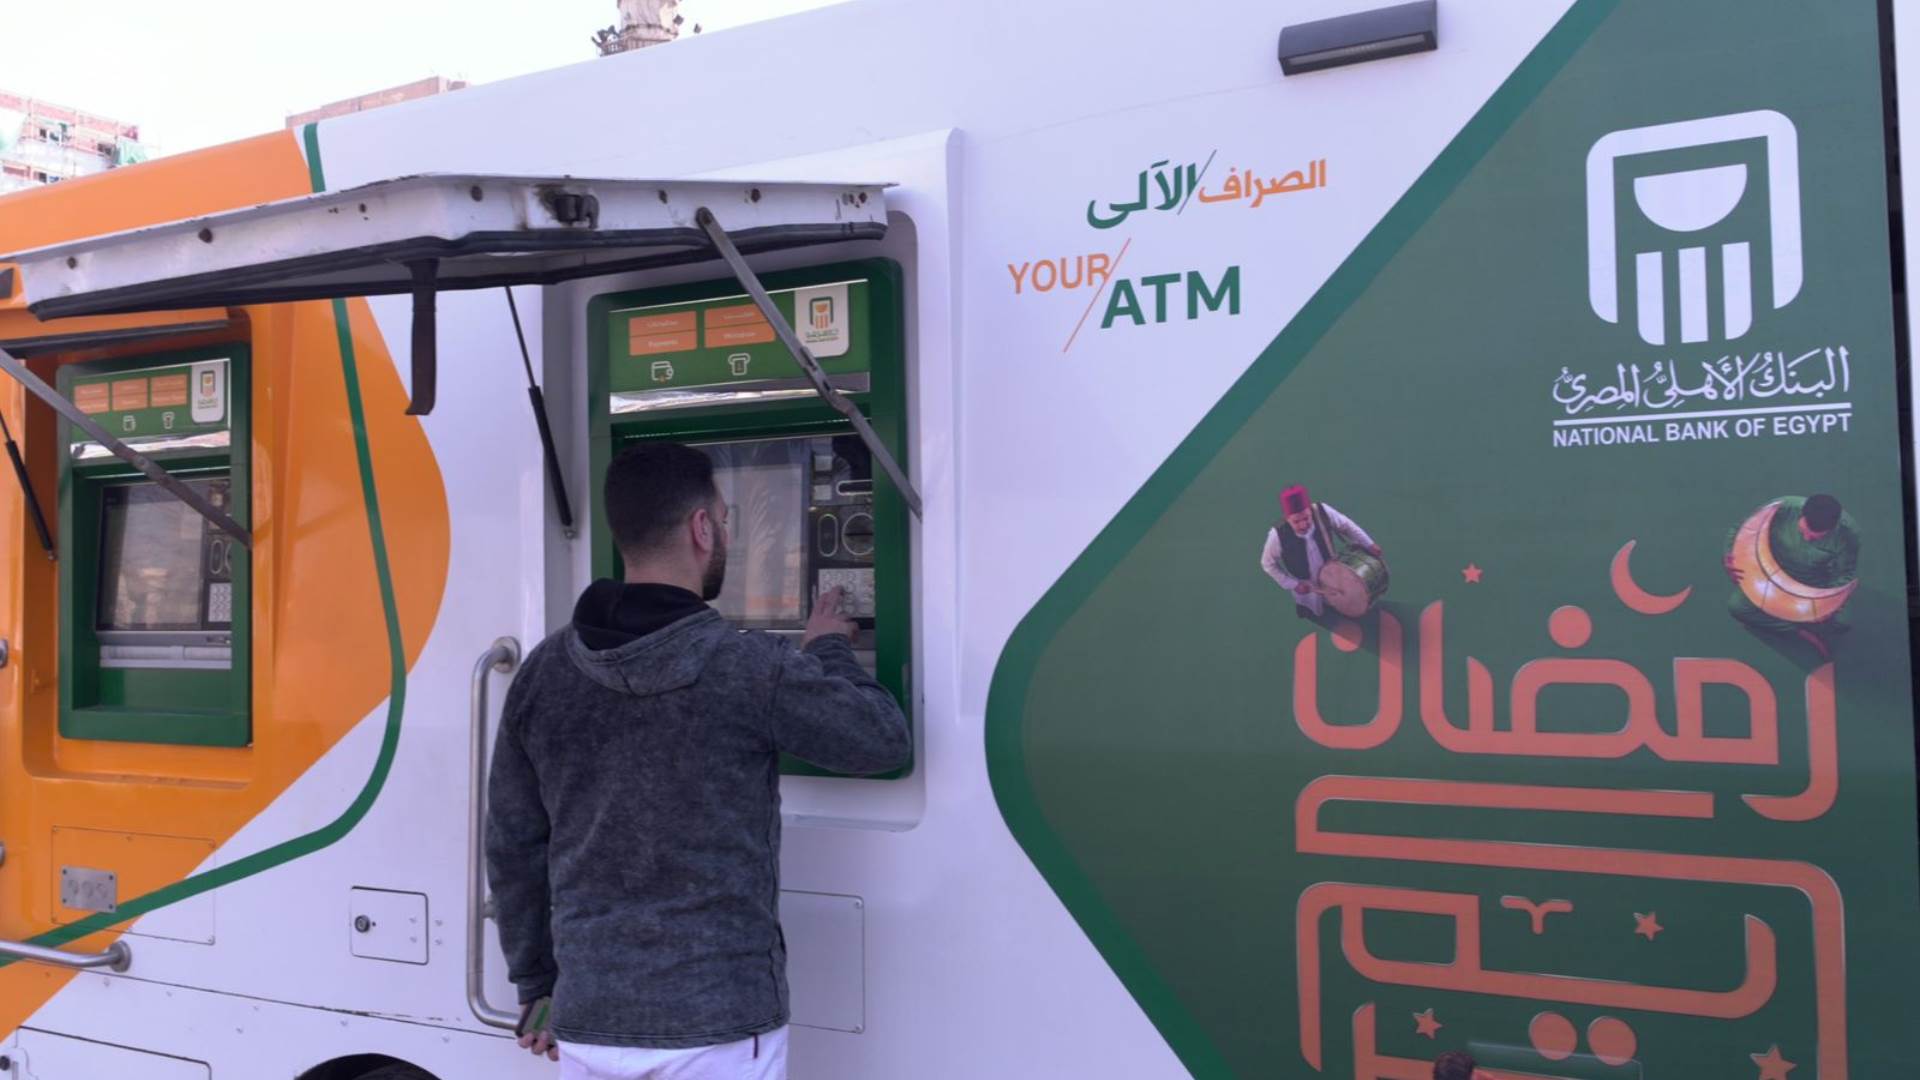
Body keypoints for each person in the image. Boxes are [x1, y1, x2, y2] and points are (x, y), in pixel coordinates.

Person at [485, 441, 911, 1079]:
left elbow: (513, 845)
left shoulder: (544, 670)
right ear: (702, 527)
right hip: (717, 1031)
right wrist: (827, 650)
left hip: (588, 1022)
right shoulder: (749, 666)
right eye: (727, 519)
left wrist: (537, 983)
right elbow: (881, 740)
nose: (728, 534)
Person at [1723, 492, 1860, 657]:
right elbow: (1741, 530)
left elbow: (1843, 574)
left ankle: (1797, 618)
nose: (1807, 538)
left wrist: (1829, 604)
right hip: (1769, 572)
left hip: (1812, 581)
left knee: (1843, 621)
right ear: (1801, 514)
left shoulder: (1848, 534)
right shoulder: (1779, 509)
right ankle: (1798, 631)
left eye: (1816, 538)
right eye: (1803, 532)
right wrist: (1732, 555)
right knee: (1738, 607)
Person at [1260, 483, 1382, 618]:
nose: (1303, 525)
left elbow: (1347, 526)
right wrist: (1292, 584)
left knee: (1340, 604)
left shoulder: (1322, 512)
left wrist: (1368, 544)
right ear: (1287, 519)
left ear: (1310, 511)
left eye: (1306, 518)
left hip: (1333, 575)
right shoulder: (1277, 535)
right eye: (1296, 521)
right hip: (1307, 586)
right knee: (1313, 610)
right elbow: (1267, 564)